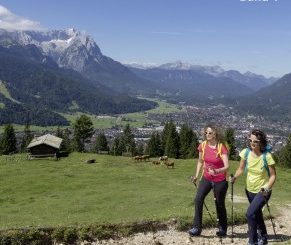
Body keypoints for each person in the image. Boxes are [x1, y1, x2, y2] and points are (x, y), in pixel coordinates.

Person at [230, 129, 276, 245]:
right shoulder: (245, 152)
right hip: (249, 189)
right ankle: (264, 236)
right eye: (250, 140)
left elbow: (273, 176)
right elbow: (241, 168)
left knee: (250, 213)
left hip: (263, 191)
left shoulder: (267, 156)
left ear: (261, 142)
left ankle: (253, 241)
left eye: (255, 141)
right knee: (256, 213)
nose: (252, 143)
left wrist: (266, 188)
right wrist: (235, 177)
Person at [189, 123, 229, 237]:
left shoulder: (221, 147)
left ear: (215, 133)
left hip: (220, 179)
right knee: (198, 199)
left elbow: (227, 166)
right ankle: (196, 228)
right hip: (206, 177)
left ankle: (222, 228)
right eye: (206, 132)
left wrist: (217, 171)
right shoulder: (203, 145)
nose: (207, 134)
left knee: (219, 203)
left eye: (210, 133)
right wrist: (196, 176)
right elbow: (200, 161)